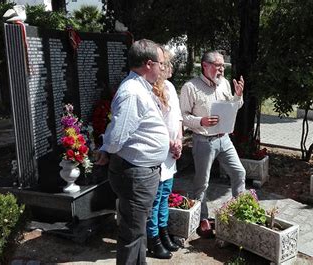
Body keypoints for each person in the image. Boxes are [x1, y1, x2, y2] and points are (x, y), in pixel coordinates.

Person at [95, 39, 169, 264]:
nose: (163, 68)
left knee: (138, 231)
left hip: (142, 172)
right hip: (136, 174)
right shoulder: (133, 92)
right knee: (132, 233)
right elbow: (117, 137)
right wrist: (107, 149)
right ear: (149, 64)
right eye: (161, 63)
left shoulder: (140, 88)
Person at [179, 50, 246, 238]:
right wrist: (201, 121)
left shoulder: (224, 83)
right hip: (203, 140)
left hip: (224, 139)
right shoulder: (190, 87)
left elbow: (234, 107)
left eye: (223, 65)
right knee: (202, 183)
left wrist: (238, 96)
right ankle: (203, 218)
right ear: (205, 65)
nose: (222, 69)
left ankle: (237, 211)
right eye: (218, 65)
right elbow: (182, 117)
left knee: (239, 172)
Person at [146, 49, 182, 259]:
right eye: (166, 64)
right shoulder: (149, 90)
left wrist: (179, 140)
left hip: (171, 152)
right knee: (155, 197)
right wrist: (170, 144)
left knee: (165, 195)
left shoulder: (170, 87)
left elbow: (177, 118)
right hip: (159, 150)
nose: (170, 68)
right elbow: (155, 125)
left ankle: (164, 231)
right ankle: (153, 239)